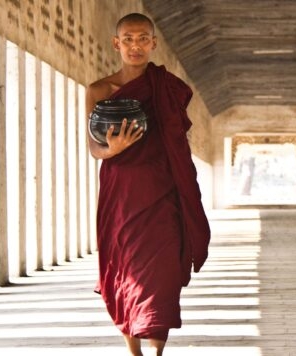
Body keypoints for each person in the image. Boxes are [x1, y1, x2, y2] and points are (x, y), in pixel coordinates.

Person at [84, 12, 211, 356]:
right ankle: (134, 350)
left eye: (143, 39)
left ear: (153, 44)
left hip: (162, 191)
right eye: (128, 39)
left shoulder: (167, 88)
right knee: (126, 268)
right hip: (122, 193)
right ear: (116, 43)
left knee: (163, 271)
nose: (135, 46)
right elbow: (94, 148)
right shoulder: (98, 90)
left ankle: (156, 352)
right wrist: (115, 148)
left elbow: (176, 137)